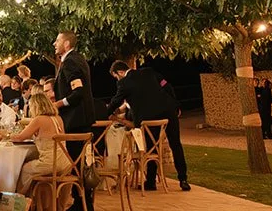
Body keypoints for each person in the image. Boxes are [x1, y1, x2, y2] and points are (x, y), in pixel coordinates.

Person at [107, 60, 190, 191]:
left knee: (152, 148)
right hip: (168, 112)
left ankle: (151, 182)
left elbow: (115, 102)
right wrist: (176, 105)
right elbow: (166, 86)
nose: (117, 79)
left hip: (149, 118)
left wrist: (105, 112)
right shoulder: (149, 72)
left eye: (116, 76)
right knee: (176, 144)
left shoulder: (124, 83)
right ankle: (183, 179)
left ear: (120, 72)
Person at [11, 92, 79, 211]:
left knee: (24, 169)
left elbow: (20, 138)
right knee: (36, 171)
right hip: (66, 164)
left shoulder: (38, 120)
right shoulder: (58, 118)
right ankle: (47, 208)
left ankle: (20, 205)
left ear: (35, 106)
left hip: (51, 163)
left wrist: (5, 135)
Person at [52, 30, 96, 135]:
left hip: (74, 120)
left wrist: (58, 104)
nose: (54, 44)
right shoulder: (78, 58)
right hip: (81, 119)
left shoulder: (70, 62)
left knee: (73, 151)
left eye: (58, 41)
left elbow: (78, 92)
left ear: (66, 43)